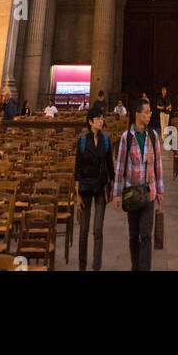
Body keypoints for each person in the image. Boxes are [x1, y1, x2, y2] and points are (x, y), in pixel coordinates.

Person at [113, 97, 164, 271]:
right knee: (134, 236)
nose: (150, 115)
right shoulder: (126, 137)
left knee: (146, 236)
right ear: (138, 114)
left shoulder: (153, 136)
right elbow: (120, 167)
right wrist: (117, 194)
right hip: (132, 193)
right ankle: (136, 267)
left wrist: (161, 190)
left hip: (149, 191)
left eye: (150, 112)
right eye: (147, 112)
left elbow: (158, 164)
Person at [75, 103, 115, 271]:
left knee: (98, 230)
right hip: (85, 188)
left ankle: (96, 266)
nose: (101, 120)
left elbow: (110, 165)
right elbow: (77, 169)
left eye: (102, 118)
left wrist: (112, 187)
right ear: (90, 122)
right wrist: (77, 194)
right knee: (83, 231)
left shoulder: (106, 140)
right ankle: (82, 266)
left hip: (100, 187)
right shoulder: (83, 141)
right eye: (98, 118)